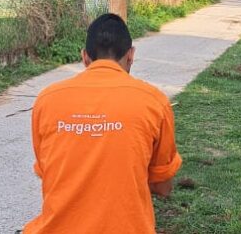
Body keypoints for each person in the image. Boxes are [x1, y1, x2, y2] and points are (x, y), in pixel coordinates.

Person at [23, 13, 181, 234]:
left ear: (85, 57)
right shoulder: (153, 101)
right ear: (131, 55)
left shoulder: (47, 100)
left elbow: (46, 171)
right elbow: (162, 186)